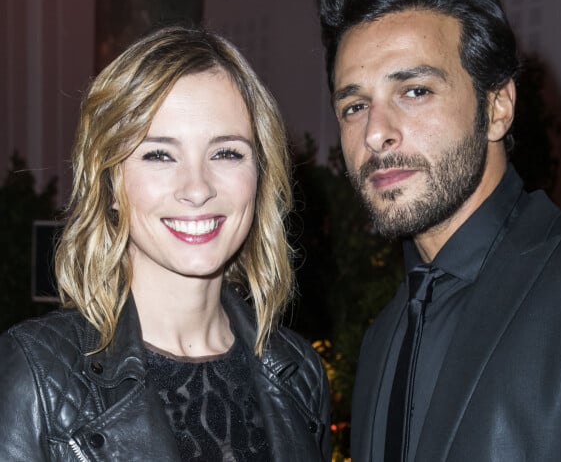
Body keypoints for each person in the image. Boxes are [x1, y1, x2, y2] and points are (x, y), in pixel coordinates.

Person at [0, 25, 331, 461]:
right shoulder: (38, 374)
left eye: (226, 152)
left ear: (260, 174)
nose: (197, 189)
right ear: (111, 182)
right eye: (159, 154)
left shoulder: (299, 372)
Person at [316, 0, 561, 462]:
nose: (376, 134)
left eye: (414, 91)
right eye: (354, 105)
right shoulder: (381, 339)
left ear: (497, 106)